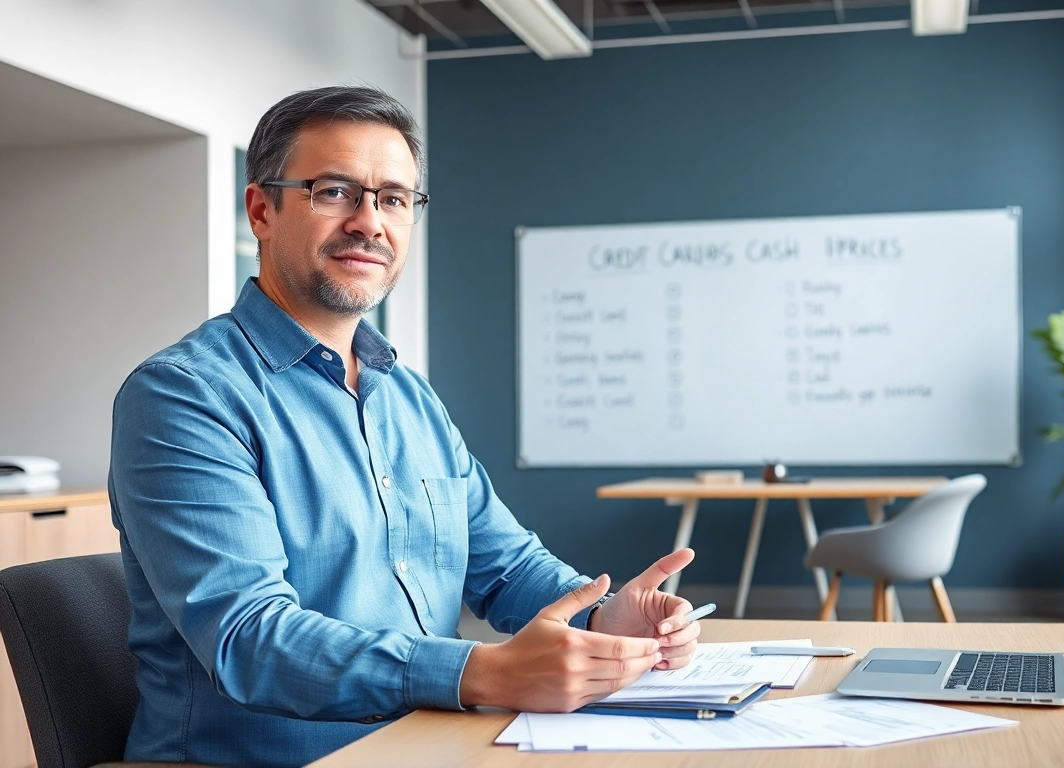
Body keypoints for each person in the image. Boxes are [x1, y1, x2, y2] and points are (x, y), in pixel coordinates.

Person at [108, 86, 700, 768]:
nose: (369, 222)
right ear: (261, 210)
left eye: (393, 199)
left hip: (432, 744)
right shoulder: (185, 396)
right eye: (334, 191)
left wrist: (603, 620)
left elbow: (503, 568)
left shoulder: (408, 396)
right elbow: (250, 637)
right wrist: (480, 672)